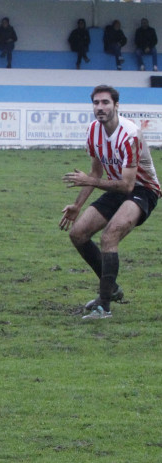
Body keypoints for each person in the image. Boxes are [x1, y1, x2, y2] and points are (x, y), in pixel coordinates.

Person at [60, 85, 160, 320]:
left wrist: (89, 180)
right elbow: (95, 174)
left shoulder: (130, 134)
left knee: (109, 236)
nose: (100, 107)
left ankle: (103, 307)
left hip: (142, 190)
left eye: (105, 102)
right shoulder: (94, 131)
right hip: (115, 186)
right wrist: (77, 206)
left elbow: (127, 185)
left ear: (116, 106)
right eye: (96, 103)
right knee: (78, 233)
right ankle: (111, 288)